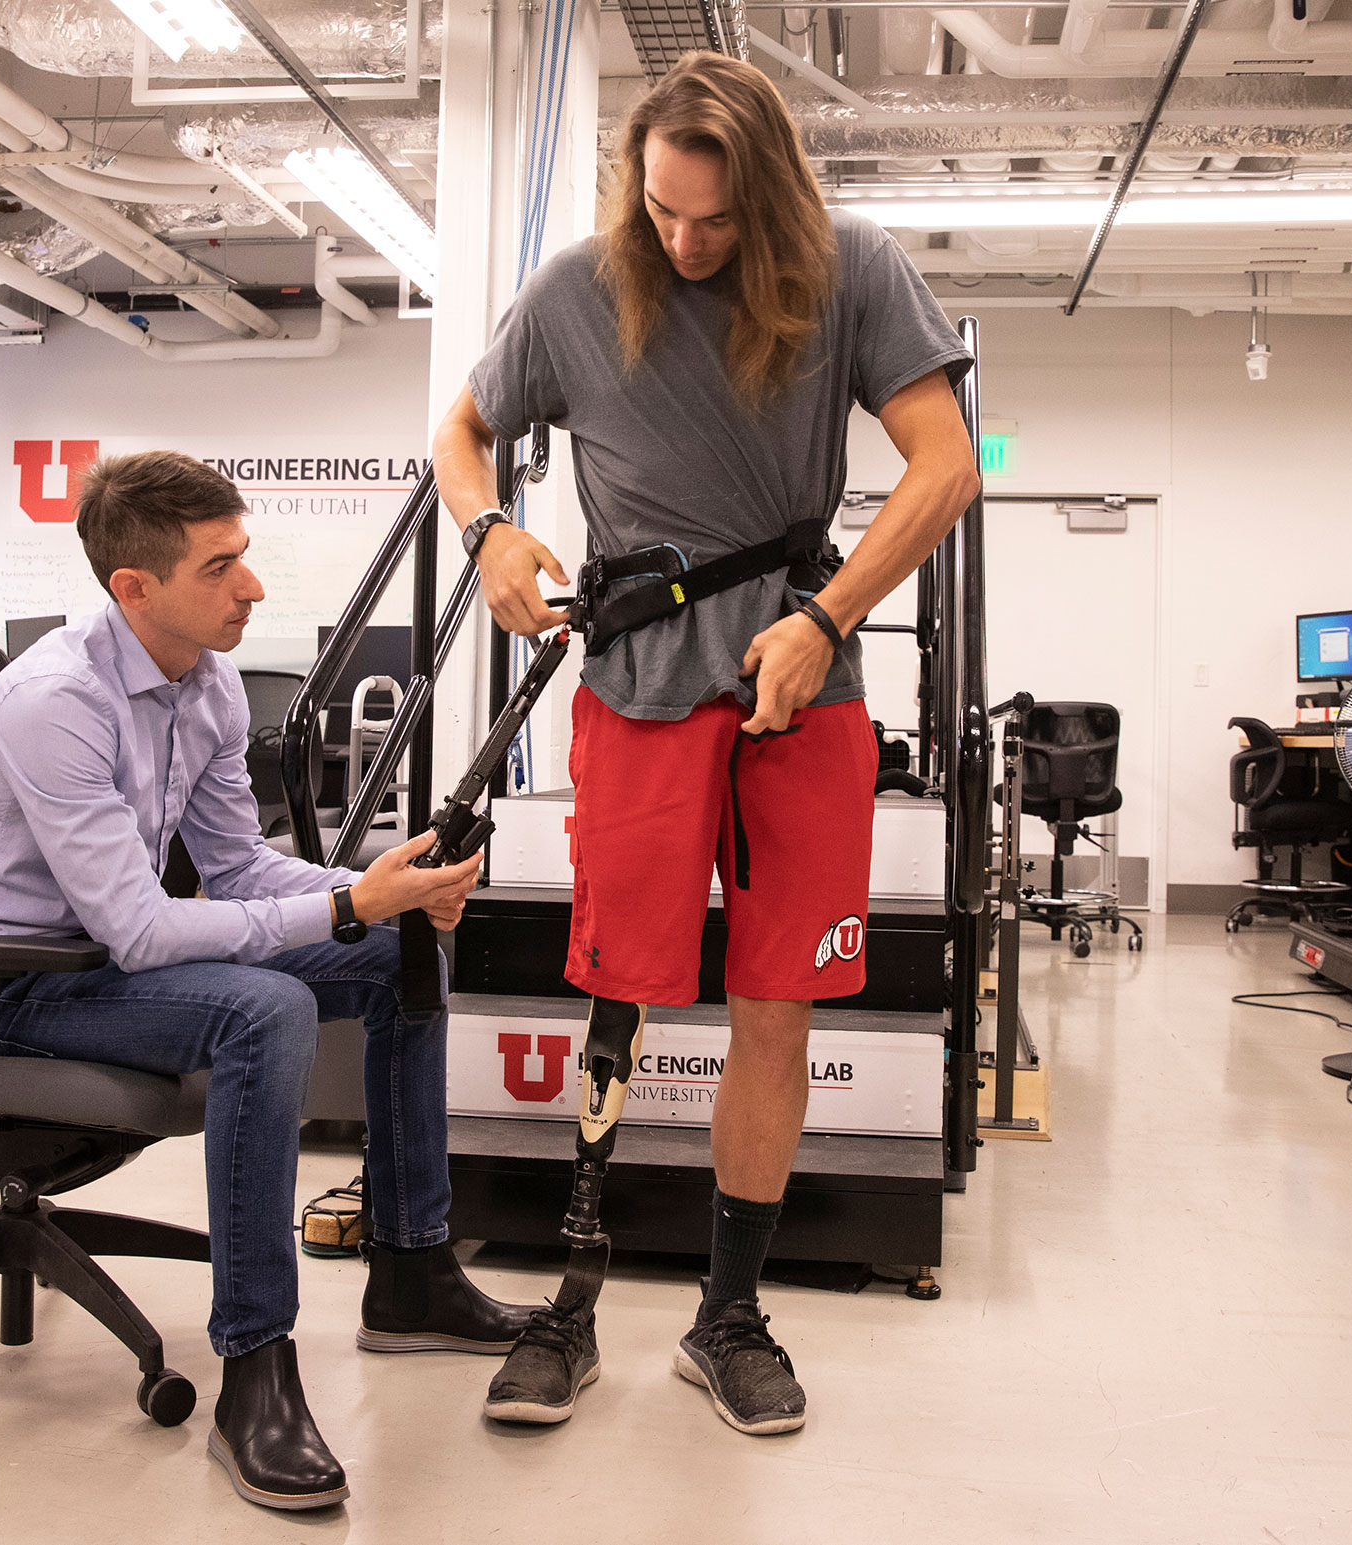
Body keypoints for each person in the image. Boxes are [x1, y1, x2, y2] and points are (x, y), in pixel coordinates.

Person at [432, 51, 980, 1435]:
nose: (686, 243)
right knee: (618, 985)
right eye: (665, 212)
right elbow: (462, 431)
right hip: (635, 682)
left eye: (718, 221)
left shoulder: (853, 269)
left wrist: (828, 617)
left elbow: (948, 464)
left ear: (775, 197)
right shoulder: (575, 290)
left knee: (776, 1005)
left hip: (800, 686)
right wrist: (488, 529)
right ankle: (569, 1298)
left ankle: (728, 1313)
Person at [0, 450, 534, 1511]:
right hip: (16, 989)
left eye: (243, 556)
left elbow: (240, 867)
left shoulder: (200, 682)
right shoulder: (53, 702)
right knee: (267, 1006)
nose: (251, 586)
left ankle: (409, 1271)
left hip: (109, 963)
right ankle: (252, 1368)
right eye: (220, 567)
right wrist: (354, 902)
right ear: (134, 589)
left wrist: (381, 891)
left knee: (401, 956)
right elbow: (139, 929)